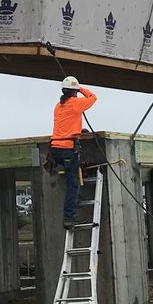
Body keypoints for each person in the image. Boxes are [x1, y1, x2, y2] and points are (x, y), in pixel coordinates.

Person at [50, 76, 97, 227]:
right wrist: (81, 88)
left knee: (71, 178)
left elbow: (67, 122)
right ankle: (69, 218)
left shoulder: (58, 106)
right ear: (74, 92)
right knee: (73, 184)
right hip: (67, 149)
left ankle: (72, 208)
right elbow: (93, 97)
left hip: (54, 148)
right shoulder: (76, 103)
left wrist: (77, 130)